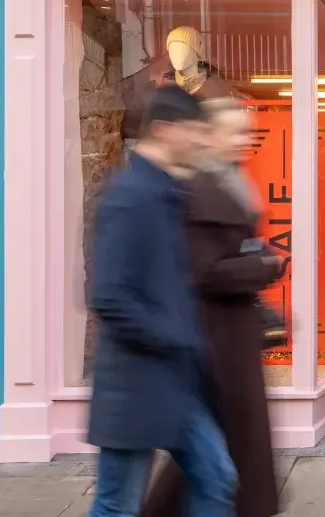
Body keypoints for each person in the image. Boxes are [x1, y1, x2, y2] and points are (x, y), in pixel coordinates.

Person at [87, 85, 236, 517]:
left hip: (173, 382)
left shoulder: (167, 193)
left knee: (217, 478)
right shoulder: (131, 196)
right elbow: (109, 295)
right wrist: (173, 335)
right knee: (117, 505)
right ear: (165, 130)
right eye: (195, 131)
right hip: (135, 385)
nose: (202, 141)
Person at [137, 98, 281, 517]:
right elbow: (205, 270)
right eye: (235, 131)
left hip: (230, 333)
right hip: (217, 337)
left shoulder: (223, 182)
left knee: (225, 448)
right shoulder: (202, 188)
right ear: (210, 134)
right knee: (221, 448)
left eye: (247, 132)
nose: (244, 140)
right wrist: (260, 266)